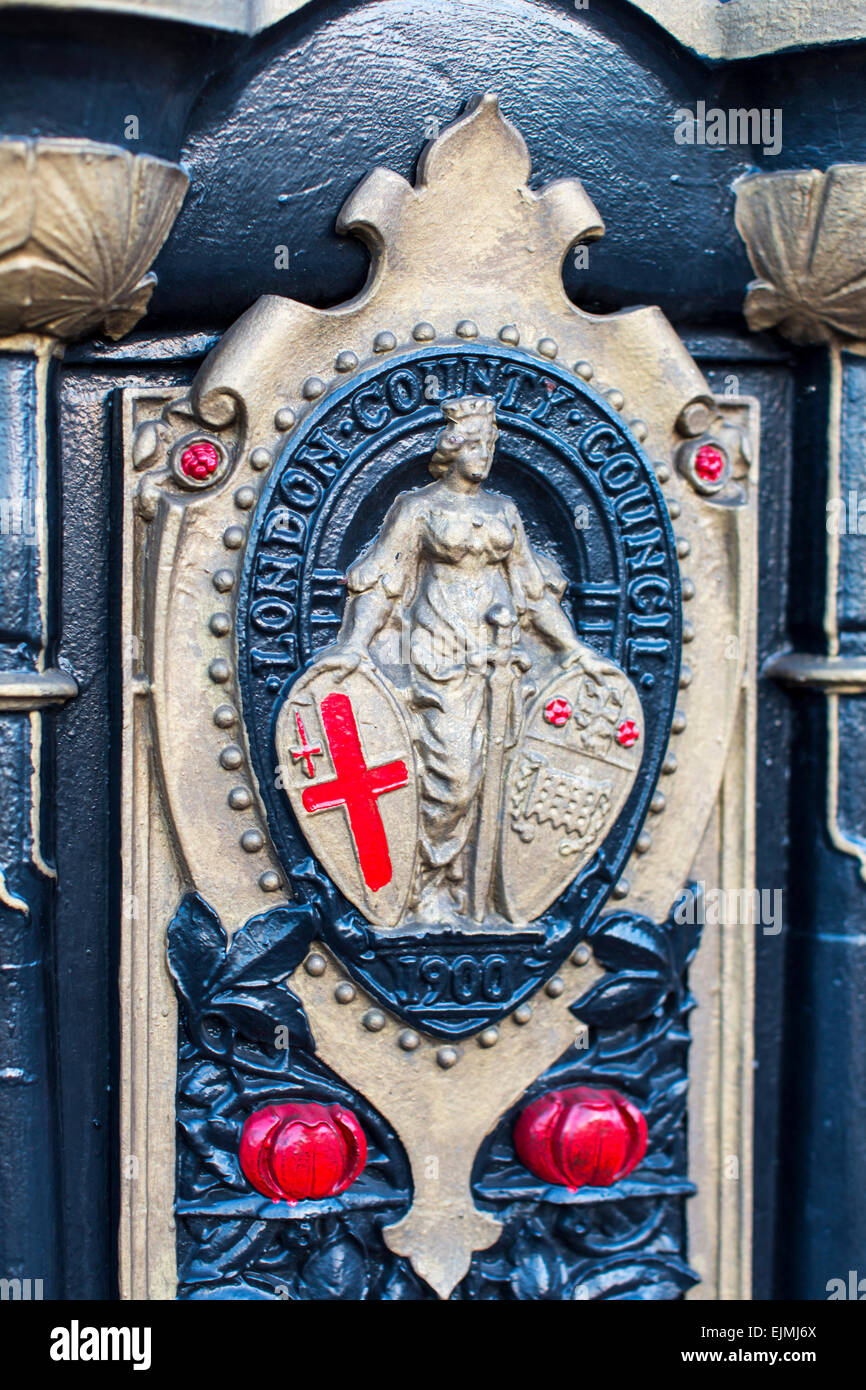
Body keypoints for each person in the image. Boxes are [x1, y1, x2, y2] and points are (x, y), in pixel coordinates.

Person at [317, 394, 618, 925]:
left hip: (501, 663)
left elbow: (530, 591)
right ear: (450, 448)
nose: (484, 454)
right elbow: (383, 582)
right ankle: (424, 884)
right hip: (438, 657)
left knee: (491, 778)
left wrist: (571, 651)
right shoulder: (419, 508)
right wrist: (354, 644)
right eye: (474, 443)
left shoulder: (504, 511)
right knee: (452, 776)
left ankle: (465, 890)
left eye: (491, 444)